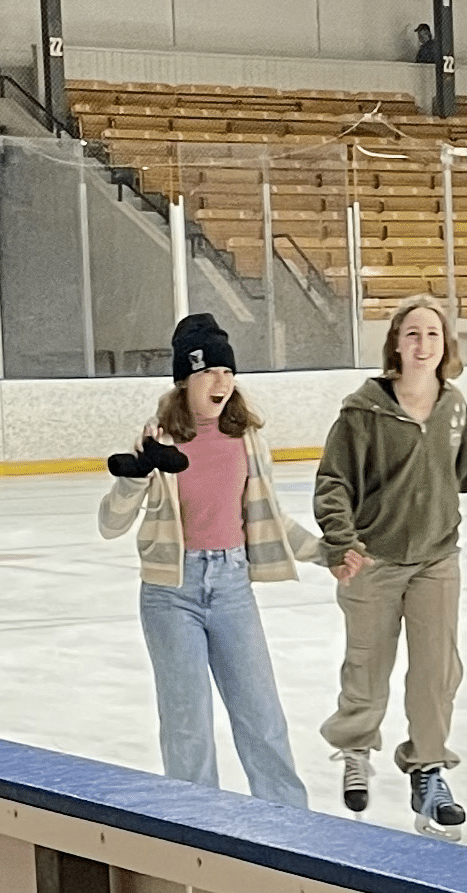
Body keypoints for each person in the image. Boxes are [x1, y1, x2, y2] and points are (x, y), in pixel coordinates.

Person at [314, 294, 467, 841]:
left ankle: (428, 769)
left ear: (447, 346)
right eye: (413, 334)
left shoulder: (453, 406)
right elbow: (333, 483)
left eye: (433, 335)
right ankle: (355, 749)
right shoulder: (362, 411)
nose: (423, 344)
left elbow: (463, 470)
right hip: (371, 560)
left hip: (437, 558)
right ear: (396, 343)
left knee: (436, 674)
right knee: (367, 670)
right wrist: (342, 541)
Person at [98, 313, 324, 808]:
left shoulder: (247, 440)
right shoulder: (160, 441)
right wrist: (135, 476)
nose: (221, 381)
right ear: (184, 381)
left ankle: (293, 826)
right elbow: (110, 524)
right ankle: (197, 829)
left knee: (262, 716)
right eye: (207, 372)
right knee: (187, 726)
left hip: (231, 586)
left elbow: (271, 519)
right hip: (170, 594)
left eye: (227, 371)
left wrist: (326, 552)